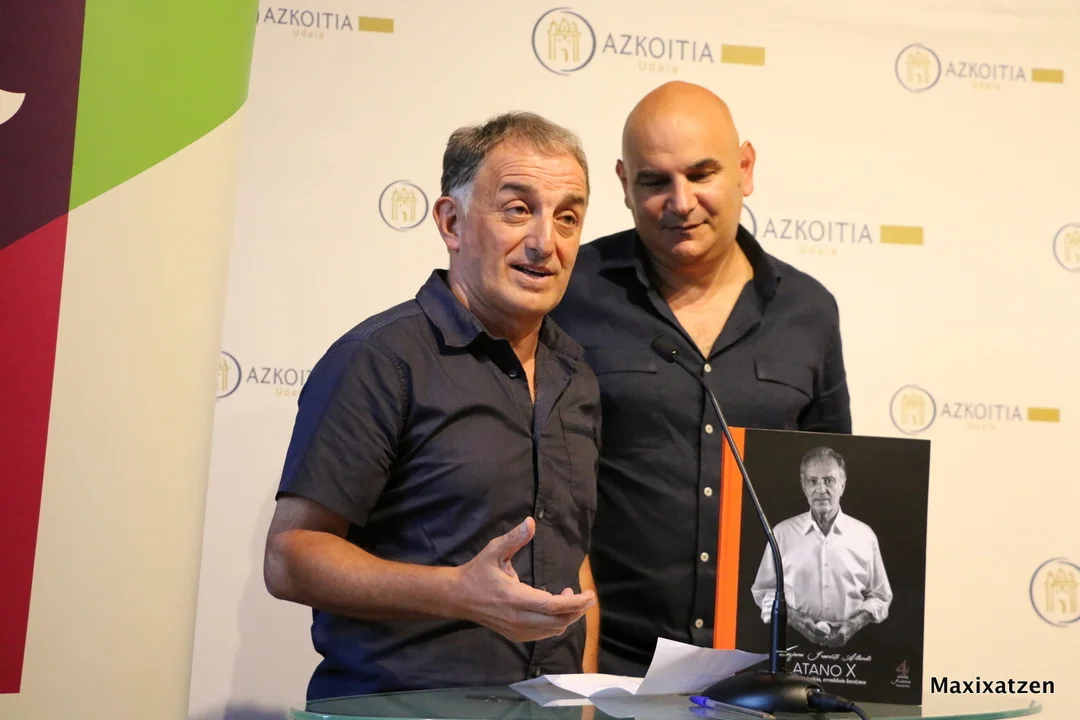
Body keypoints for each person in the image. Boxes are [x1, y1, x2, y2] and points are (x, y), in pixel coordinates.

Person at [264, 111, 602, 700]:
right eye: (517, 209)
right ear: (451, 222)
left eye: (567, 217)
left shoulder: (576, 376)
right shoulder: (380, 360)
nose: (545, 242)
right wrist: (456, 592)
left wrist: (583, 699)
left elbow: (571, 557)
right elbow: (290, 557)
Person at [548, 81, 852, 676]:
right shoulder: (567, 292)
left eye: (701, 173)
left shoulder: (810, 310)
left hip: (764, 668)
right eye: (654, 181)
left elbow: (838, 484)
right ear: (624, 184)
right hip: (601, 665)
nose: (680, 202)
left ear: (745, 168)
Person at [750, 446, 892, 648]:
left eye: (829, 480)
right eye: (812, 481)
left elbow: (880, 597)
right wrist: (794, 618)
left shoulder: (864, 536)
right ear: (803, 486)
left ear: (842, 484)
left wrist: (853, 624)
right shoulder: (781, 534)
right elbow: (765, 592)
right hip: (792, 645)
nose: (820, 489)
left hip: (855, 647)